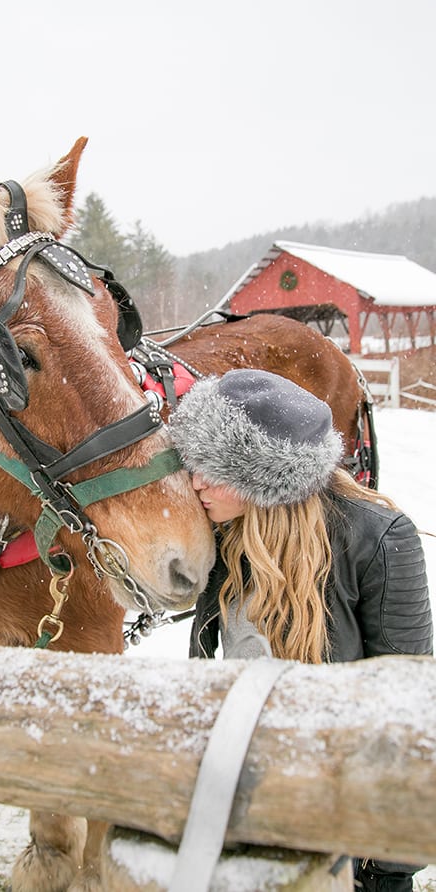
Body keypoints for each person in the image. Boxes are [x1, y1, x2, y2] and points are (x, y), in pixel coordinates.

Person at [169, 368, 433, 892]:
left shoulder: (378, 539)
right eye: (193, 462)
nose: (196, 481)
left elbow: (406, 708)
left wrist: (385, 870)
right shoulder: (219, 534)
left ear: (263, 478)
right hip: (243, 795)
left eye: (215, 468)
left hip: (339, 805)